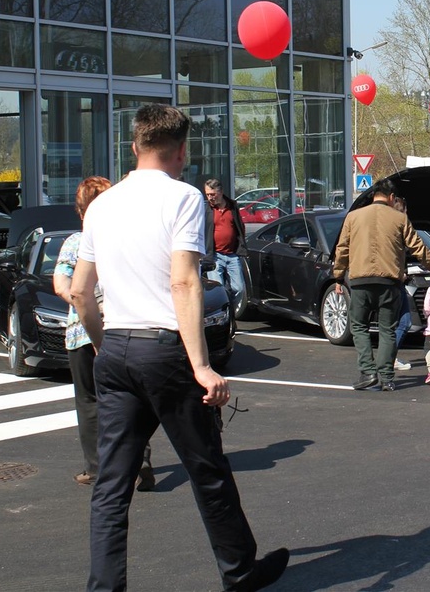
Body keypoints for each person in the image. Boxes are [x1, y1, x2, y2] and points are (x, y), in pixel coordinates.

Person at [70, 104, 288, 591]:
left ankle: (104, 587)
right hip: (165, 350)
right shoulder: (185, 198)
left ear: (134, 145)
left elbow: (82, 292)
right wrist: (202, 366)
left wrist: (105, 345)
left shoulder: (102, 204)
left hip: (118, 346)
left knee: (111, 484)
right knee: (207, 468)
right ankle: (239, 571)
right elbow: (185, 283)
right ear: (182, 151)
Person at [54, 176, 155, 492]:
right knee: (128, 399)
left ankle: (97, 469)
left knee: (89, 401)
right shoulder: (130, 239)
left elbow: (62, 285)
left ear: (81, 210)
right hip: (123, 327)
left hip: (81, 332)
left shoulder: (76, 242)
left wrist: (83, 302)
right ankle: (139, 460)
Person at [332, 179, 430, 392]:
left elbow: (342, 249)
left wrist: (338, 277)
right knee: (388, 329)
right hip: (390, 282)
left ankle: (367, 372)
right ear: (392, 197)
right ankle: (386, 377)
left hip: (360, 281)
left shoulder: (353, 217)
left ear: (373, 195)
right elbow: (418, 247)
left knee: (358, 326)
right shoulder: (400, 218)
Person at [203, 178, 248, 319]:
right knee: (219, 289)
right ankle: (223, 319)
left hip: (232, 255)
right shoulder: (206, 209)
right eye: (207, 194)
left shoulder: (232, 207)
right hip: (214, 256)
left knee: (239, 289)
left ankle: (231, 315)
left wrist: (241, 246)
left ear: (220, 192)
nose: (210, 198)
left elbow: (240, 227)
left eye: (212, 194)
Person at [391, 196, 413, 371]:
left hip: (395, 281)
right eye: (405, 210)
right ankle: (389, 359)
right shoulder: (399, 230)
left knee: (400, 322)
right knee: (403, 322)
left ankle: (389, 358)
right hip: (395, 283)